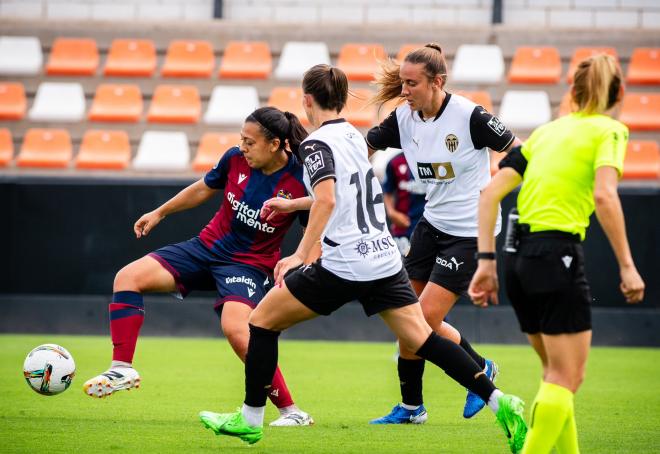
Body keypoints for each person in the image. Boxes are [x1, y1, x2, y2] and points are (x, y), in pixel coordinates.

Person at [198, 64, 528, 454]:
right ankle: (500, 400)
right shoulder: (352, 136)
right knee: (422, 337)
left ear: (307, 101)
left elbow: (329, 199)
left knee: (261, 321)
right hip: (383, 257)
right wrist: (293, 205)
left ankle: (251, 420)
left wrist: (300, 255)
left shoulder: (316, 144)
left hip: (346, 263)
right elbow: (343, 195)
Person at [83, 107, 314, 427]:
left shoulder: (301, 179)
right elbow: (203, 187)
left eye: (250, 142)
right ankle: (122, 368)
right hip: (204, 248)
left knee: (238, 331)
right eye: (241, 140)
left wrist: (302, 258)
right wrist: (160, 212)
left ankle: (292, 412)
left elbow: (314, 227)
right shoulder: (234, 159)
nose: (243, 148)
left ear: (275, 144)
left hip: (248, 266)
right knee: (128, 277)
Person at [468, 54, 645, 454]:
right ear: (619, 92)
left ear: (572, 91)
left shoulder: (545, 133)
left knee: (554, 374)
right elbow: (604, 194)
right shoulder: (611, 130)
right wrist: (628, 267)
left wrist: (486, 262)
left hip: (517, 258)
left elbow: (491, 193)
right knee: (567, 378)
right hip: (557, 256)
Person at [365, 43, 522, 423]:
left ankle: (479, 371)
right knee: (405, 316)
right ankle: (411, 407)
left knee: (422, 319)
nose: (404, 91)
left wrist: (495, 190)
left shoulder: (470, 117)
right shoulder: (404, 119)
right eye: (401, 83)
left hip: (469, 232)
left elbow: (519, 153)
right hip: (431, 225)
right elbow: (364, 146)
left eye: (412, 84)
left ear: (438, 82)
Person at [382, 151, 426, 255]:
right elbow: (387, 192)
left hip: (431, 227)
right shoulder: (395, 162)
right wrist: (392, 213)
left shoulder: (436, 158)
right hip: (404, 228)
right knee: (405, 267)